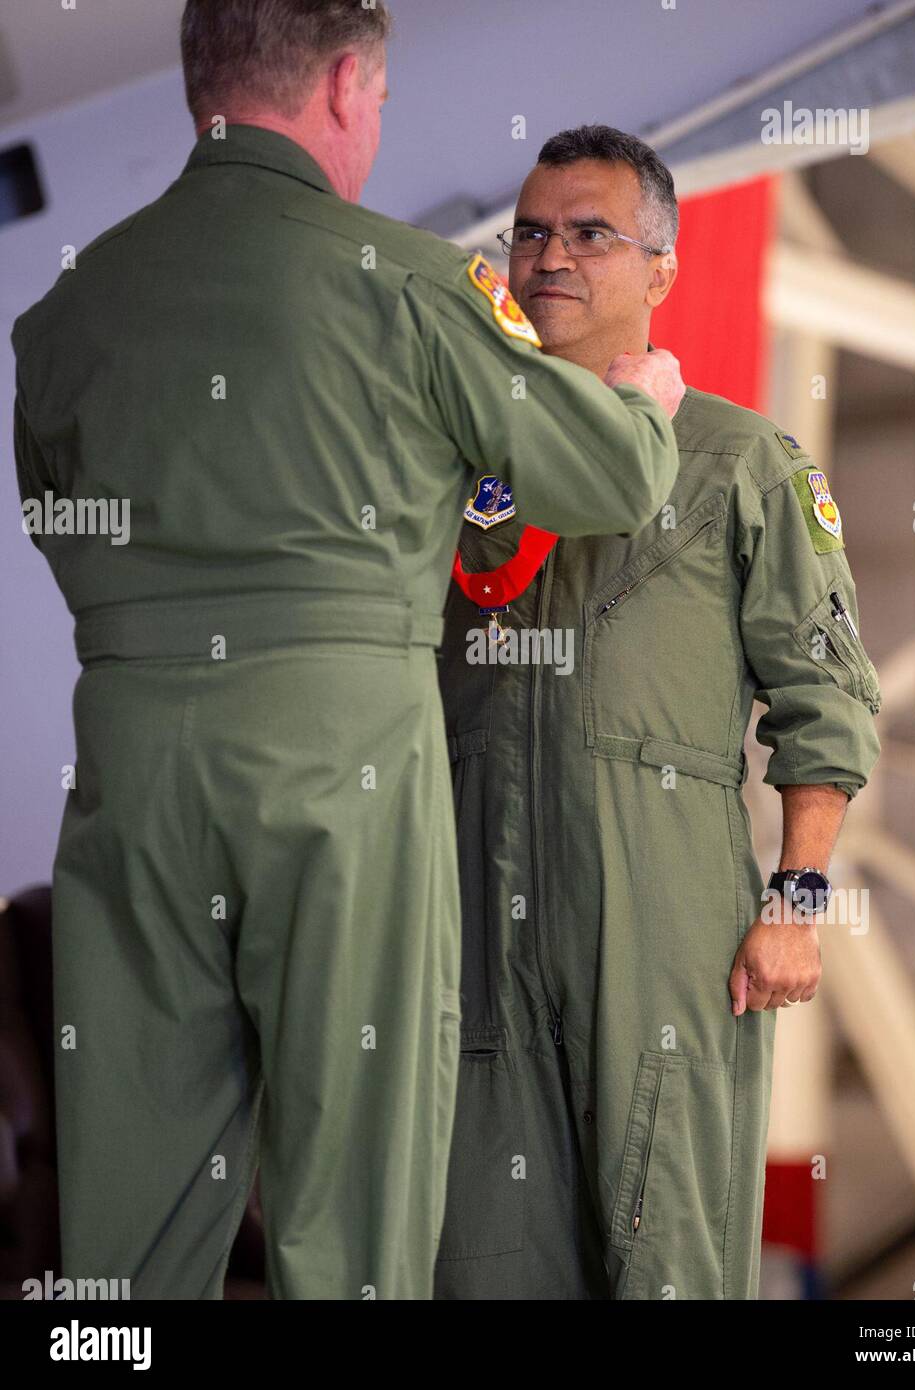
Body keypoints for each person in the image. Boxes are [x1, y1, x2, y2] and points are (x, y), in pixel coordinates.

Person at [9, 6, 684, 1300]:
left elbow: (59, 518)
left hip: (134, 765)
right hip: (344, 763)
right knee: (354, 1192)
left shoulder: (67, 313)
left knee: (129, 1217)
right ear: (341, 83)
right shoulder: (413, 283)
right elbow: (597, 478)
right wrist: (641, 404)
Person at [433, 125, 882, 1300]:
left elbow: (821, 694)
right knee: (482, 1255)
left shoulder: (740, 462)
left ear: (662, 270)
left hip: (661, 912)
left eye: (590, 232)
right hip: (474, 906)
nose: (550, 258)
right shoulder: (456, 472)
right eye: (530, 233)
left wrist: (795, 898)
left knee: (665, 1248)